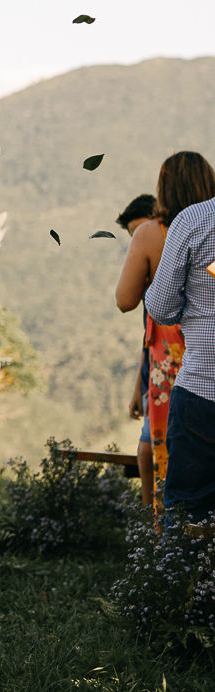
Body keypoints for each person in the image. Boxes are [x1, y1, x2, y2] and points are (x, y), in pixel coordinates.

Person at [117, 155, 215, 513]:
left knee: (185, 496)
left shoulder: (177, 226)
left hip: (193, 375)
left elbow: (143, 304)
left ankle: (164, 537)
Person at [145, 163, 215, 521]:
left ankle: (183, 561)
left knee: (188, 513)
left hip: (203, 390)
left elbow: (161, 308)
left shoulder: (194, 220)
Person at [115, 193, 157, 507]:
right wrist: (137, 388)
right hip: (154, 372)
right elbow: (149, 337)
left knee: (150, 449)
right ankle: (151, 520)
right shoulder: (148, 282)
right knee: (146, 450)